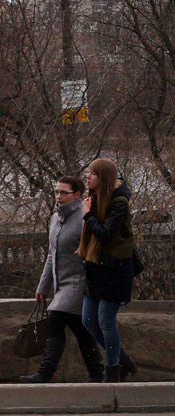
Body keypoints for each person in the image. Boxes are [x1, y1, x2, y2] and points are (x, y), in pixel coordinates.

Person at [18, 176, 105, 384]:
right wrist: (43, 287)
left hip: (79, 282)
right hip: (61, 284)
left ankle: (45, 373)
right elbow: (51, 254)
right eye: (56, 191)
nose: (58, 196)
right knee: (81, 329)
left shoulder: (84, 217)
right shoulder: (56, 218)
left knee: (55, 320)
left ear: (77, 194)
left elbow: (94, 252)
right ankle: (103, 371)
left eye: (63, 192)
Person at [78, 158, 138, 383]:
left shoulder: (119, 201)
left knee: (105, 320)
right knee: (87, 320)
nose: (88, 177)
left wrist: (87, 214)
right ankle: (123, 359)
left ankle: (112, 370)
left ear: (103, 179)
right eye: (88, 172)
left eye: (93, 173)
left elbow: (105, 233)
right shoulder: (93, 198)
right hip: (96, 267)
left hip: (115, 269)